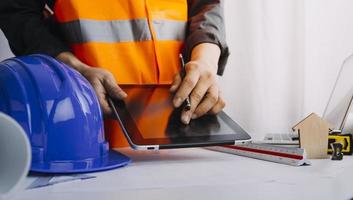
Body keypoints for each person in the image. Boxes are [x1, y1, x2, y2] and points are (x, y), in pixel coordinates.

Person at [0, 0, 229, 147]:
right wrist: (74, 70)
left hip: (182, 134)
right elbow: (17, 12)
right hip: (89, 133)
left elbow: (206, 5)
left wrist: (205, 60)